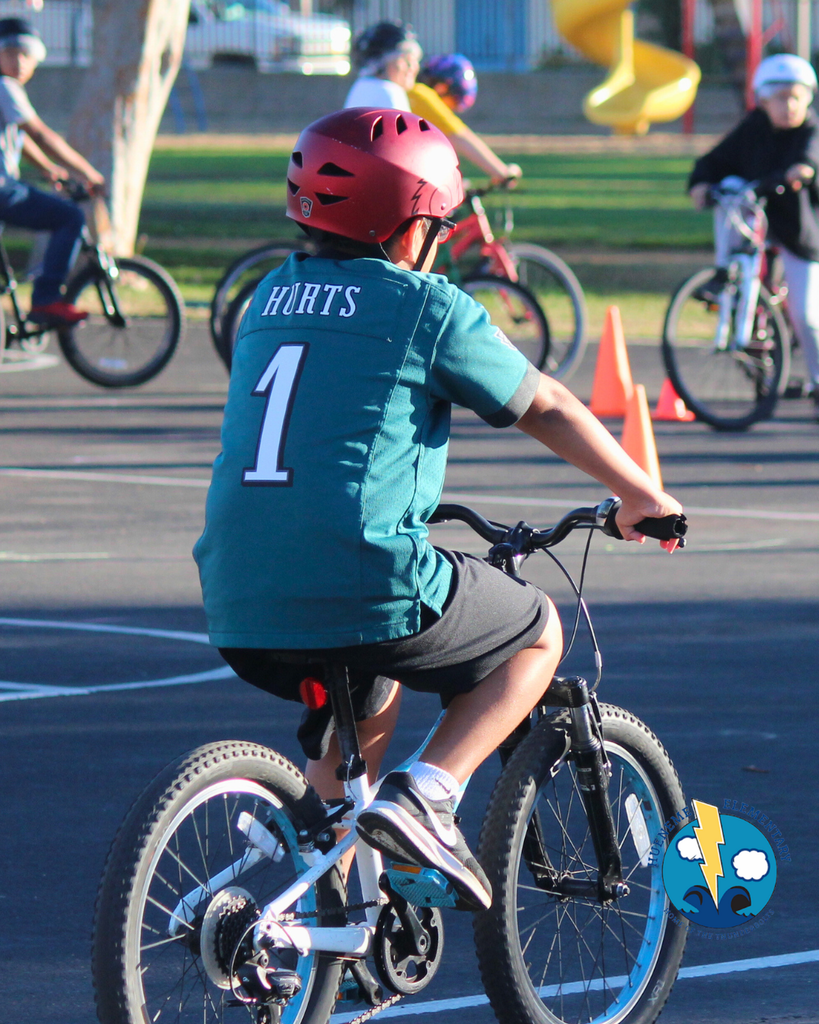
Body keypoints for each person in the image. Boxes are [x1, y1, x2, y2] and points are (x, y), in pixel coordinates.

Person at [194, 108, 683, 912]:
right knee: (533, 632)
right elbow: (547, 405)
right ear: (412, 222)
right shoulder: (425, 306)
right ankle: (430, 792)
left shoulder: (268, 297)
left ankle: (320, 923)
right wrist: (641, 496)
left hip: (236, 590)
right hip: (362, 576)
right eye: (438, 224)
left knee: (358, 734)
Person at [688, 52, 819, 417]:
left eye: (796, 96)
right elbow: (715, 160)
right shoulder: (754, 128)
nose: (788, 104)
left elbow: (810, 159)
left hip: (800, 235)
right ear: (762, 99)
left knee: (805, 314)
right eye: (779, 97)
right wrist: (700, 183)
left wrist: (800, 172)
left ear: (808, 98)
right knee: (728, 188)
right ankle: (724, 277)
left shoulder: (811, 130)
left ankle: (818, 382)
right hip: (756, 229)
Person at [0, 17, 105, 326]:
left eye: (25, 53)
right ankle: (46, 300)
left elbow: (17, 136)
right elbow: (40, 135)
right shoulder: (5, 87)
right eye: (9, 52)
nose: (18, 61)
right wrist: (88, 172)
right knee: (69, 217)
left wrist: (48, 170)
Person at [343, 21, 521, 186]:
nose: (414, 67)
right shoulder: (391, 92)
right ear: (383, 62)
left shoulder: (360, 87)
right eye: (406, 59)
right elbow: (406, 152)